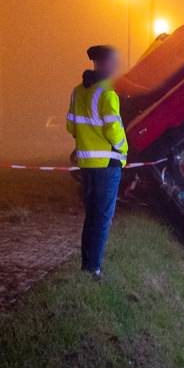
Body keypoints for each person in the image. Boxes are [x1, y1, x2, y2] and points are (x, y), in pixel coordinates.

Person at [66, 45, 128, 278]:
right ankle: (94, 269)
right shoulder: (108, 93)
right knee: (102, 219)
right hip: (107, 165)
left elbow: (71, 126)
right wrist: (123, 149)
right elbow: (114, 129)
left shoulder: (77, 92)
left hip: (86, 165)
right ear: (108, 64)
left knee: (90, 217)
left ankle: (87, 265)